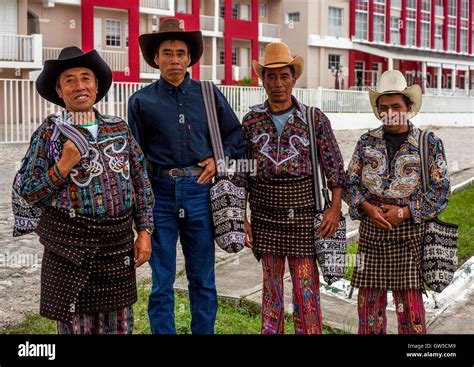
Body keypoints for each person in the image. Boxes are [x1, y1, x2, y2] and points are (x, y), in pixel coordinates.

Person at [17, 46, 154, 334]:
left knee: (119, 326)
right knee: (77, 327)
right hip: (70, 251)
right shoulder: (49, 135)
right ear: (59, 90)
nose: (79, 86)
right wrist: (63, 166)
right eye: (69, 80)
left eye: (85, 78)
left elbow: (141, 182)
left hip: (117, 248)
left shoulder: (118, 128)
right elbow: (27, 191)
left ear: (96, 85)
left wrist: (143, 232)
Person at [128, 18, 245, 334]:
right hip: (160, 194)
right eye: (167, 52)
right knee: (161, 280)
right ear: (156, 58)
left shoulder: (208, 94)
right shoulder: (140, 101)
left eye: (181, 52)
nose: (175, 60)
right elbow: (135, 160)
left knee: (203, 278)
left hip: (200, 192)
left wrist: (219, 159)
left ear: (190, 57)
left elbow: (236, 136)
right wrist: (139, 212)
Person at [241, 43, 346, 334]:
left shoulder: (314, 120)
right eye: (271, 77)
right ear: (263, 81)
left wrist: (334, 210)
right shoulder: (251, 121)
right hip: (265, 219)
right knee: (271, 294)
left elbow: (336, 170)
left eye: (283, 76)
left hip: (303, 218)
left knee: (306, 293)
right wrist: (243, 218)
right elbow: (243, 174)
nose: (277, 84)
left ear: (293, 79)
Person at [344, 70, 451, 334]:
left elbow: (441, 191)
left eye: (396, 106)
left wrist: (404, 212)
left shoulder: (428, 143)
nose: (390, 112)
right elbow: (350, 184)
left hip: (409, 240)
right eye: (384, 107)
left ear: (409, 108)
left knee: (411, 315)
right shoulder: (366, 142)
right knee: (369, 313)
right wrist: (367, 207)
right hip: (371, 237)